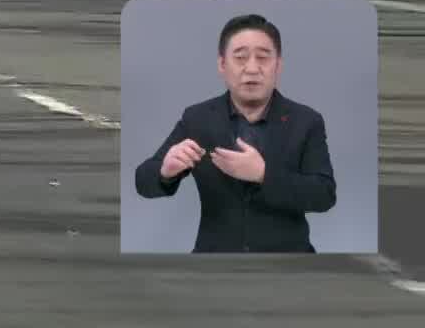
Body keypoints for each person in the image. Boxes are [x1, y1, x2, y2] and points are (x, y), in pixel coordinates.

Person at [133, 14, 336, 253]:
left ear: (278, 66)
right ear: (222, 65)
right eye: (240, 58)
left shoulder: (306, 121)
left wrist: (263, 174)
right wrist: (165, 171)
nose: (252, 68)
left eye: (263, 58)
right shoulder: (199, 119)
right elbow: (143, 182)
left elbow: (324, 195)